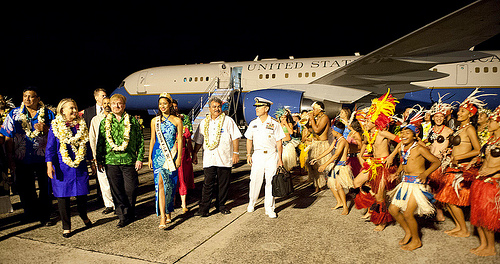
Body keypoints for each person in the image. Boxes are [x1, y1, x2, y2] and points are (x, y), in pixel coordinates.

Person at [434, 88, 487, 237]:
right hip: (453, 166)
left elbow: (477, 150)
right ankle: (459, 226)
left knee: (451, 200)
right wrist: (450, 153)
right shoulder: (459, 129)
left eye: (463, 111)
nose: (459, 113)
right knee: (446, 200)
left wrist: (460, 156)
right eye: (459, 111)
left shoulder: (469, 129)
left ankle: (463, 229)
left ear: (470, 114)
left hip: (461, 169)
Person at [0, 87, 55, 224]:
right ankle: (30, 213)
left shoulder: (47, 114)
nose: (27, 99)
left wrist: (46, 129)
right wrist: (10, 158)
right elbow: (8, 137)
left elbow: (56, 135)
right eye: (25, 96)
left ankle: (45, 215)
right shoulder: (14, 114)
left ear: (38, 99)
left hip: (43, 158)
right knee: (25, 188)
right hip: (22, 158)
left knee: (45, 187)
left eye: (31, 96)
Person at [388, 118, 441, 251]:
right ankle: (408, 232)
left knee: (407, 213)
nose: (403, 135)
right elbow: (403, 162)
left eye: (407, 133)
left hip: (417, 184)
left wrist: (425, 174)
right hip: (405, 183)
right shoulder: (402, 147)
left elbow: (436, 162)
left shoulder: (419, 149)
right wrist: (397, 173)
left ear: (415, 135)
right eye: (402, 133)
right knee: (393, 210)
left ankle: (417, 241)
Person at [45, 98, 94, 238]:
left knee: (82, 194)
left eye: (75, 108)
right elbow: (50, 148)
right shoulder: (55, 126)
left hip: (79, 166)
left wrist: (92, 162)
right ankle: (66, 226)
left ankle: (84, 216)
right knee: (63, 197)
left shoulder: (81, 125)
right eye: (71, 108)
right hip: (62, 166)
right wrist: (49, 165)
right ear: (62, 110)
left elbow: (87, 146)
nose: (74, 110)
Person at [354, 90, 400, 231]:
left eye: (368, 121)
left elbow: (401, 142)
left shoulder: (382, 132)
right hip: (372, 165)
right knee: (356, 183)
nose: (365, 123)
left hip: (383, 165)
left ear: (375, 122)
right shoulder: (369, 134)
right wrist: (362, 155)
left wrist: (392, 156)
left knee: (380, 197)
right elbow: (365, 146)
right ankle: (373, 200)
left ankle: (382, 222)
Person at [96, 94, 144, 228]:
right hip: (111, 161)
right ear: (110, 106)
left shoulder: (132, 121)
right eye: (114, 104)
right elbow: (100, 142)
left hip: (129, 160)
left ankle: (130, 210)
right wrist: (99, 159)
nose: (117, 106)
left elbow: (140, 141)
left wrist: (139, 158)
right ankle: (122, 215)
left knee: (131, 189)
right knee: (116, 190)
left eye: (120, 103)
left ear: (124, 105)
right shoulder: (104, 122)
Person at [193, 97, 241, 217]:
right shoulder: (204, 122)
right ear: (209, 108)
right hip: (209, 158)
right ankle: (204, 209)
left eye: (218, 106)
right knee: (207, 184)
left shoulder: (228, 120)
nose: (217, 109)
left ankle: (221, 206)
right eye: (214, 107)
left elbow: (235, 137)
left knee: (223, 184)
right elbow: (199, 140)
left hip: (224, 158)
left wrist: (236, 153)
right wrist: (194, 153)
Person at [245, 97, 285, 218]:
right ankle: (252, 202)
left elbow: (279, 142)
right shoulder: (253, 123)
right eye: (256, 107)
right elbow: (249, 139)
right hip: (257, 155)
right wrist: (248, 154)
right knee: (255, 180)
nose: (257, 109)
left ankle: (270, 208)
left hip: (271, 155)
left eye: (259, 107)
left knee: (271, 182)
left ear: (266, 108)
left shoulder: (275, 124)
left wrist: (280, 159)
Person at [148, 93, 183, 228]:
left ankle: (168, 210)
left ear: (170, 104)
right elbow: (152, 139)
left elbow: (180, 139)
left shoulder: (177, 120)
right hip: (158, 156)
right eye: (160, 104)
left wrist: (179, 157)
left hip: (172, 156)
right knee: (160, 185)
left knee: (170, 186)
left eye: (165, 103)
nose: (162, 106)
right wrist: (150, 156)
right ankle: (162, 216)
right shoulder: (154, 121)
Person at [469, 105, 500, 256]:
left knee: (488, 218)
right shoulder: (491, 140)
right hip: (481, 179)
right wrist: (475, 160)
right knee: (478, 215)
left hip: (493, 183)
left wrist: (494, 170)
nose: (488, 123)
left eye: (492, 121)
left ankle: (491, 248)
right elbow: (484, 157)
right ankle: (483, 244)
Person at [311, 120, 353, 215]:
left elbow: (336, 155)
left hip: (341, 166)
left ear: (336, 131)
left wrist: (324, 165)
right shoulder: (336, 140)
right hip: (335, 165)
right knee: (332, 185)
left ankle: (345, 207)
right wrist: (316, 159)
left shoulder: (342, 141)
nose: (331, 131)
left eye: (332, 130)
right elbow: (328, 150)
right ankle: (339, 202)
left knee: (338, 186)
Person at [89, 96, 114, 214]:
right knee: (104, 182)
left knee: (115, 181)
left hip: (114, 155)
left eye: (109, 103)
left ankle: (118, 203)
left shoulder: (117, 118)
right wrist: (94, 156)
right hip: (101, 155)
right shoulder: (95, 120)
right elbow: (92, 138)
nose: (107, 105)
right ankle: (109, 204)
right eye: (105, 103)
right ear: (102, 105)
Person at [172, 99, 195, 213]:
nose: (174, 108)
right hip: (172, 153)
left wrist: (192, 154)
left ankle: (183, 203)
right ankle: (174, 200)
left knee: (183, 178)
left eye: (176, 106)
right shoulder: (166, 121)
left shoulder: (184, 118)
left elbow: (189, 139)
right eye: (172, 106)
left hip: (184, 153)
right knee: (173, 178)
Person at [306, 101, 332, 192]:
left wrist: (312, 119)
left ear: (319, 109)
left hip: (322, 144)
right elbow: (311, 129)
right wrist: (306, 122)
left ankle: (322, 184)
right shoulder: (317, 117)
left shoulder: (324, 118)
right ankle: (316, 184)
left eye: (314, 109)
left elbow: (317, 130)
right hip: (315, 143)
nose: (313, 111)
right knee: (313, 165)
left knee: (320, 166)